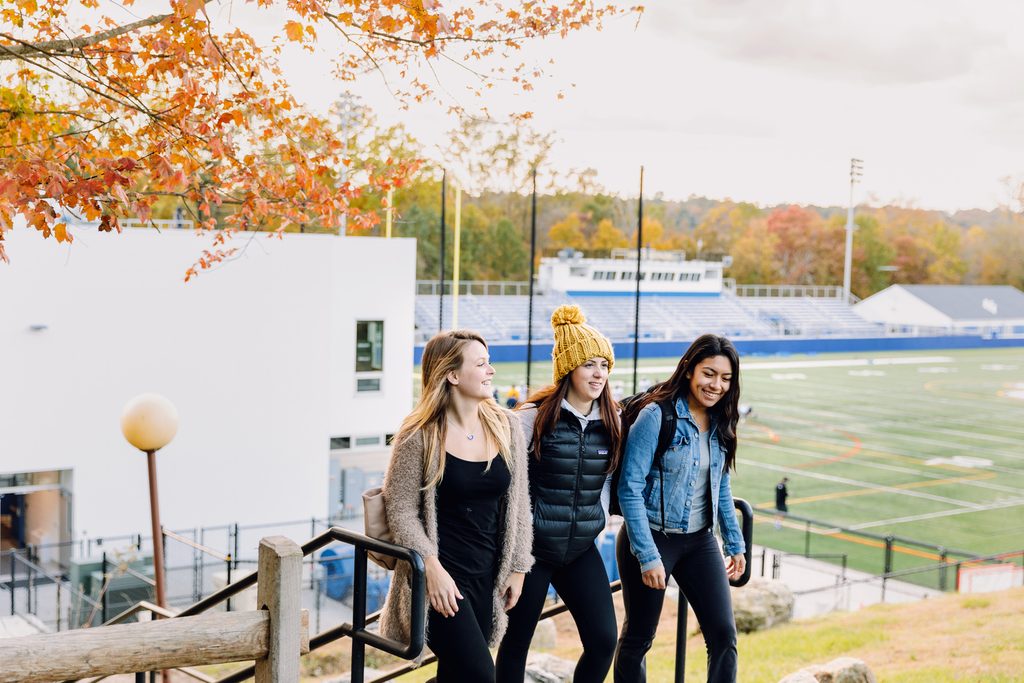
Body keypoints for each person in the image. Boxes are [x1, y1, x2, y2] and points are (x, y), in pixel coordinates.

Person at [379, 329, 535, 682]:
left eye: (489, 362)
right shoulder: (418, 435)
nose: (491, 371)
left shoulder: (506, 426)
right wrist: (430, 570)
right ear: (452, 375)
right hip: (440, 581)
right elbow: (400, 509)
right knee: (481, 675)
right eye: (481, 364)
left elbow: (520, 502)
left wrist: (519, 567)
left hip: (488, 576)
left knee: (457, 676)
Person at [496, 305, 621, 683]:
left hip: (580, 549)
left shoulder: (613, 419)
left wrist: (597, 522)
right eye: (589, 364)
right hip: (533, 553)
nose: (599, 373)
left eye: (604, 365)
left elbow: (611, 482)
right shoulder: (532, 418)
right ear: (569, 369)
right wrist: (515, 551)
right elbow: (509, 487)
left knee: (603, 641)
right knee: (516, 644)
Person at [614, 334, 746, 683]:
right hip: (652, 538)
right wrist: (647, 556)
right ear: (689, 369)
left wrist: (734, 542)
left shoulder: (721, 421)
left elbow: (720, 485)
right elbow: (630, 488)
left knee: (723, 636)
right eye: (709, 373)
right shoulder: (656, 416)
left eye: (725, 378)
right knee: (639, 639)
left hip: (700, 542)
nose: (716, 385)